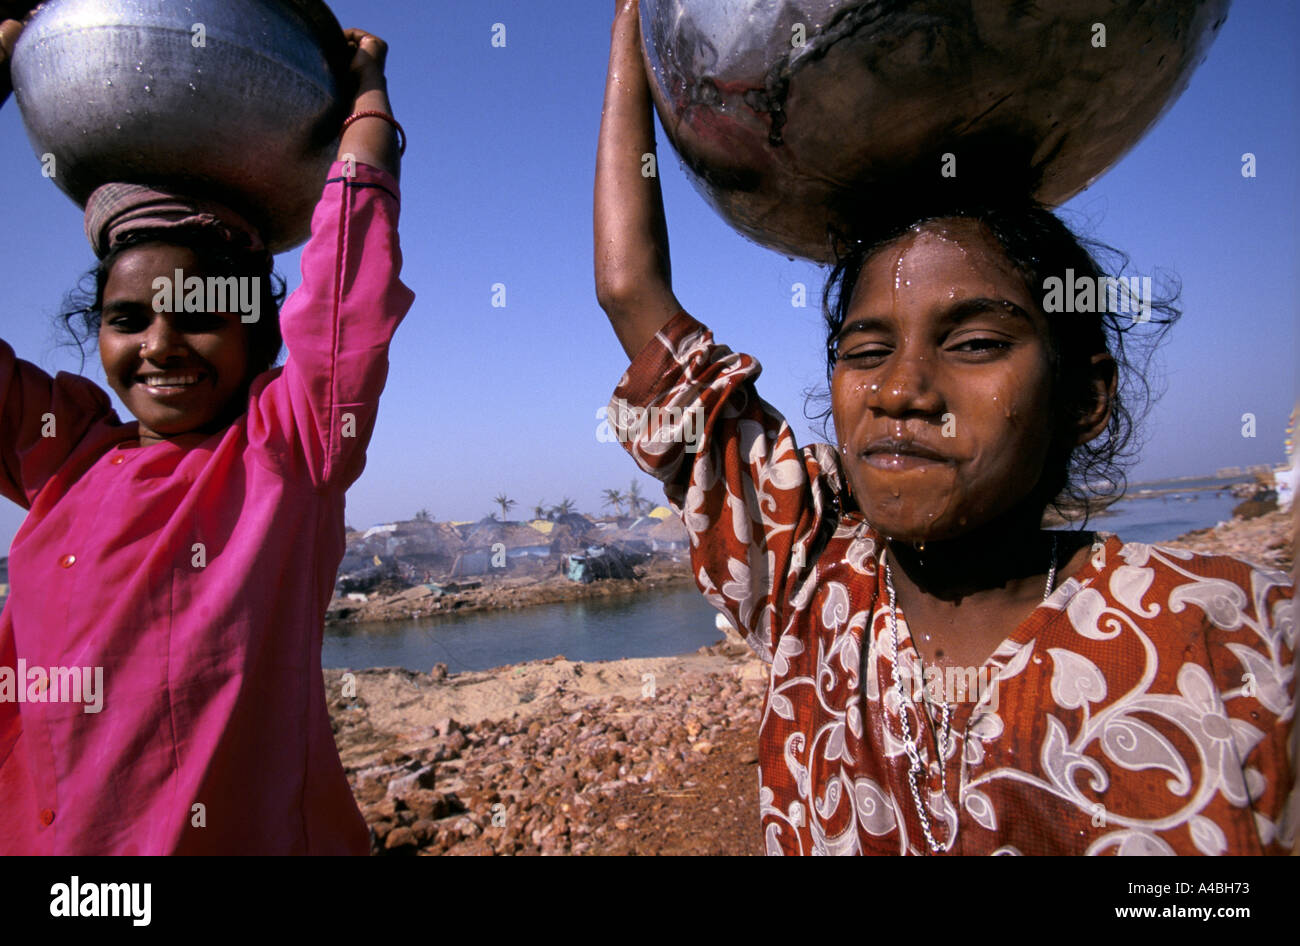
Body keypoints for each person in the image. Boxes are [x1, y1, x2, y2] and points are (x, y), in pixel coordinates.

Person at [594, 0, 1295, 855]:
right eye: (865, 350)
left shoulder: (1236, 638)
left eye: (974, 343)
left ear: (1084, 397)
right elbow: (631, 288)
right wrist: (636, 26)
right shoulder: (808, 583)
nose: (901, 391)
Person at [0, 18, 414, 853]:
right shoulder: (64, 453)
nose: (158, 345)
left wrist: (367, 95)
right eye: (126, 320)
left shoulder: (288, 448)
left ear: (260, 336)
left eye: (197, 314)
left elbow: (350, 286)